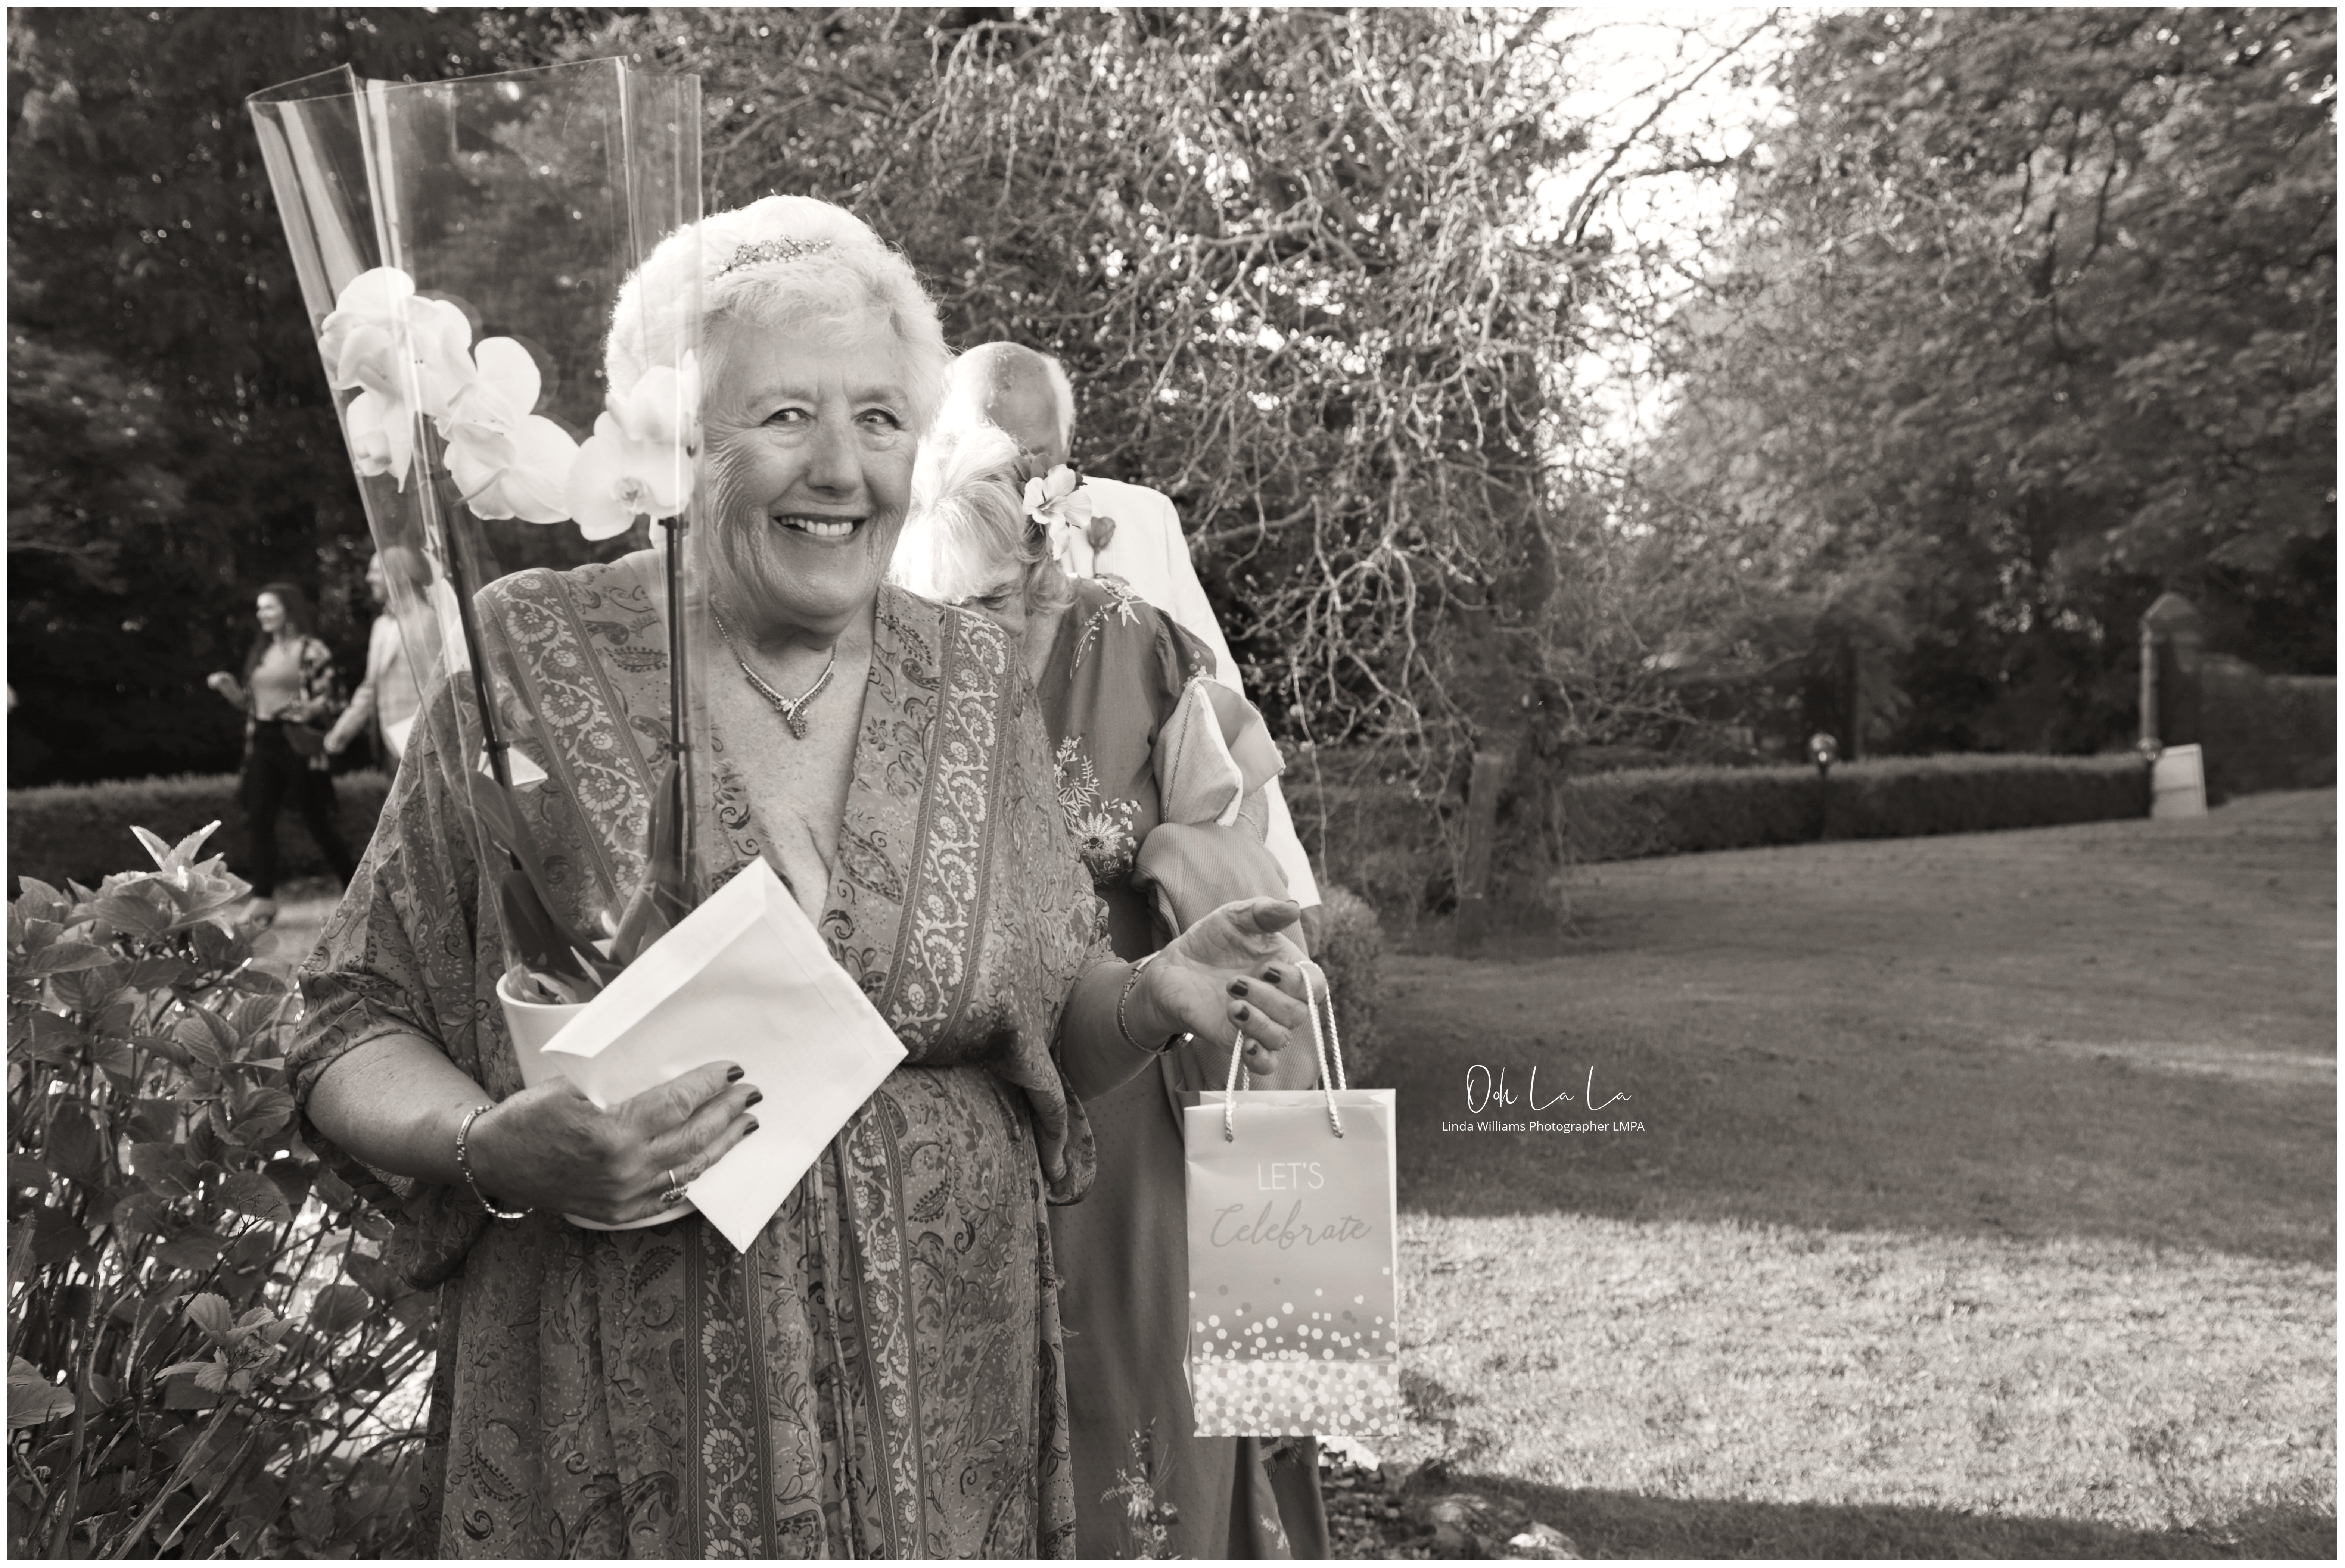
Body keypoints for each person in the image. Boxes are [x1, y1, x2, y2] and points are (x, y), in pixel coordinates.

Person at [287, 196, 1320, 1559]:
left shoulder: (967, 677)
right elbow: (351, 1019)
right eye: (785, 414)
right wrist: (494, 1143)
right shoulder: (529, 654)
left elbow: (1035, 1011)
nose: (844, 466)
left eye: (884, 418)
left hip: (952, 1430)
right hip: (623, 1424)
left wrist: (1151, 994)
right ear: (680, 430)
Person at [894, 423, 1329, 1559]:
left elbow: (1231, 820)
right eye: (951, 608)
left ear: (1047, 571)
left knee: (1143, 1340)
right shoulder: (909, 664)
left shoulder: (1140, 645)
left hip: (1139, 1056)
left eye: (994, 601)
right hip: (980, 1063)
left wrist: (1172, 869)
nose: (971, 632)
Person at [934, 341, 1326, 952]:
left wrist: (1275, 891)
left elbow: (1225, 738)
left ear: (1067, 443)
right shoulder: (906, 557)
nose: (1017, 477)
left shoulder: (1148, 522)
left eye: (1035, 453)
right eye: (988, 449)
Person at [205, 581, 357, 926]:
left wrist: (309, 708)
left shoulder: (312, 650)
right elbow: (250, 703)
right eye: (260, 608)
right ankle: (263, 900)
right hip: (262, 740)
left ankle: (355, 889)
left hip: (297, 741)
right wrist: (230, 689)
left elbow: (335, 698)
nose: (262, 614)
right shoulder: (261, 652)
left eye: (269, 607)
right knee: (258, 818)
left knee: (317, 819)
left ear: (289, 610)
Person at [322, 548, 428, 769]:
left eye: (375, 572)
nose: (369, 579)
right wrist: (343, 731)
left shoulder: (429, 621)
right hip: (392, 746)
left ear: (399, 574)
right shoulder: (381, 625)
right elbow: (371, 687)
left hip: (427, 746)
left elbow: (441, 685)